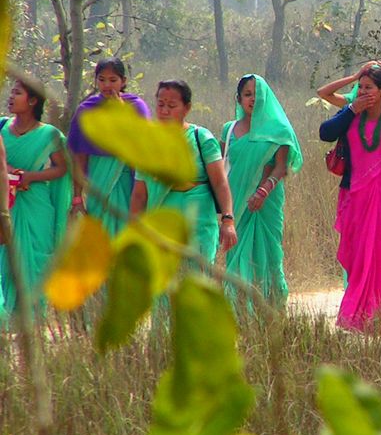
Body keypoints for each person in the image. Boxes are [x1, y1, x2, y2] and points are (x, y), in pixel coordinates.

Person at [318, 64, 381, 330]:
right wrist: (352, 102)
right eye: (359, 88)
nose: (362, 92)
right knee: (359, 256)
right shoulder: (349, 115)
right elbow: (325, 133)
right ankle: (357, 317)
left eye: (368, 88)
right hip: (355, 199)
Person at [130, 80, 237, 265]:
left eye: (172, 106)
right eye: (161, 104)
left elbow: (220, 182)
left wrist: (228, 220)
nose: (164, 111)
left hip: (199, 224)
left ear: (186, 108)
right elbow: (140, 194)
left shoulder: (202, 138)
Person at [221, 75, 303, 308]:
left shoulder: (279, 130)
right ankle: (239, 312)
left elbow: (281, 166)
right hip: (238, 205)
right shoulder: (229, 130)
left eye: (258, 94)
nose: (253, 99)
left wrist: (263, 191)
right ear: (239, 99)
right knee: (237, 258)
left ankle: (271, 310)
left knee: (269, 255)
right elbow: (223, 168)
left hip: (267, 204)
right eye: (247, 94)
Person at [0, 80, 72, 322]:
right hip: (6, 204)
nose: (11, 97)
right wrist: (9, 172)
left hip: (36, 204)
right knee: (6, 260)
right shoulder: (2, 128)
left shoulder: (50, 135)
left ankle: (34, 320)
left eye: (17, 93)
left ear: (32, 101)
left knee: (37, 259)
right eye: (11, 92)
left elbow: (62, 168)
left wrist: (30, 176)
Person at [67, 58, 150, 237]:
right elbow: (80, 156)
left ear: (123, 81)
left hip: (128, 183)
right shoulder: (87, 110)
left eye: (113, 80)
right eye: (102, 79)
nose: (107, 85)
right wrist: (77, 198)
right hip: (98, 183)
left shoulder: (136, 107)